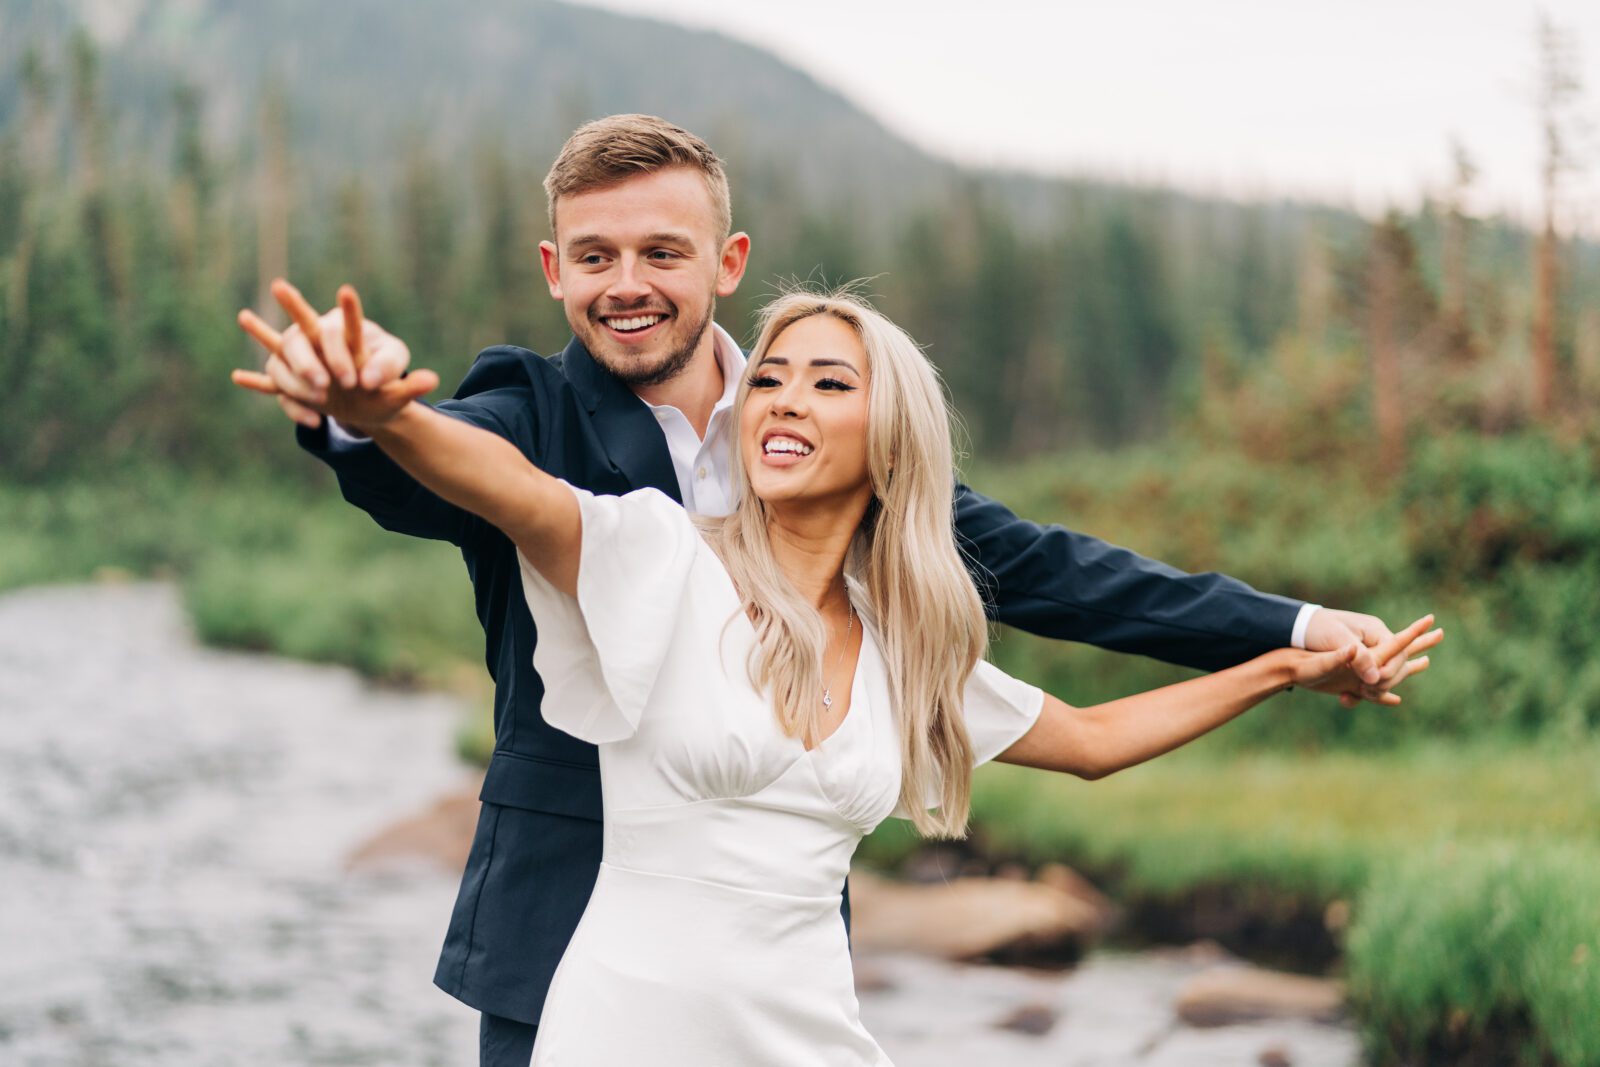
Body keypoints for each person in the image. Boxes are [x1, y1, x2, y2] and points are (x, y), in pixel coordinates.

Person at [231, 115, 1435, 1065]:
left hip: (787, 965)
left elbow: (1059, 587)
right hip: (567, 938)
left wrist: (1289, 631)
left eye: (661, 250)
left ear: (726, 261)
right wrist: (367, 412)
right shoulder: (549, 427)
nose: (626, 283)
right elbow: (468, 468)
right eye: (594, 257)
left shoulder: (838, 440)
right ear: (554, 270)